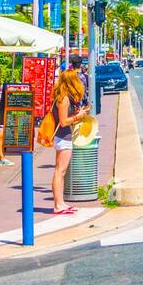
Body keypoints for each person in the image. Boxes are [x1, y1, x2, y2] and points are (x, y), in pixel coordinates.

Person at [49, 67, 91, 216]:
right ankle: (58, 205)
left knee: (61, 171)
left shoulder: (63, 97)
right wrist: (77, 117)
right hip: (62, 137)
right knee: (60, 171)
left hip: (64, 136)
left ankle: (61, 203)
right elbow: (64, 121)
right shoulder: (64, 99)